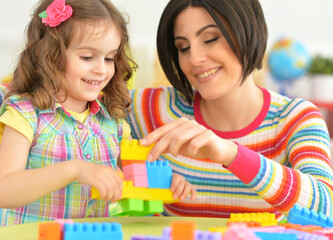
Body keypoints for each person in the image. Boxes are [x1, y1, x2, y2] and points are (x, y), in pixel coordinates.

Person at [126, 0, 333, 221]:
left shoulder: (295, 119)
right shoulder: (152, 108)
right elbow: (87, 124)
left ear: (247, 32)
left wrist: (231, 154)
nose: (194, 59)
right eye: (183, 48)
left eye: (210, 39)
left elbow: (326, 207)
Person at [0, 0, 195, 226]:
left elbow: (136, 176)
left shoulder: (113, 121)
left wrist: (166, 182)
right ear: (50, 56)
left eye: (109, 58)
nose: (101, 69)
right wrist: (74, 170)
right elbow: (4, 189)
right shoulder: (25, 115)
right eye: (87, 57)